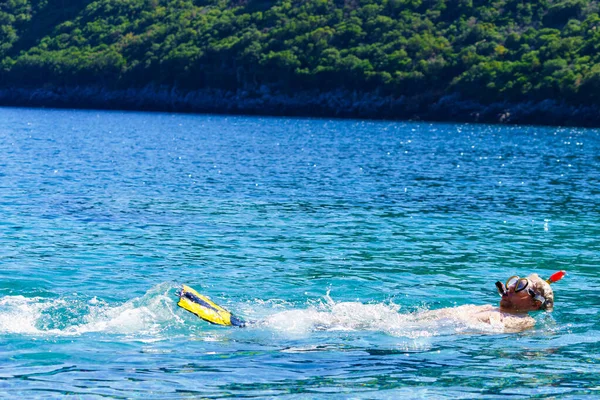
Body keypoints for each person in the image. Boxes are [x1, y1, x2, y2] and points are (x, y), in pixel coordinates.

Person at [176, 271, 565, 333]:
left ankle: (245, 327)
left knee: (333, 326)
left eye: (519, 285)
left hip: (406, 333)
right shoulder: (496, 307)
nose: (508, 287)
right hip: (399, 323)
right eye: (511, 281)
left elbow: (498, 330)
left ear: (532, 301)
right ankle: (250, 324)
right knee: (327, 315)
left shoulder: (525, 323)